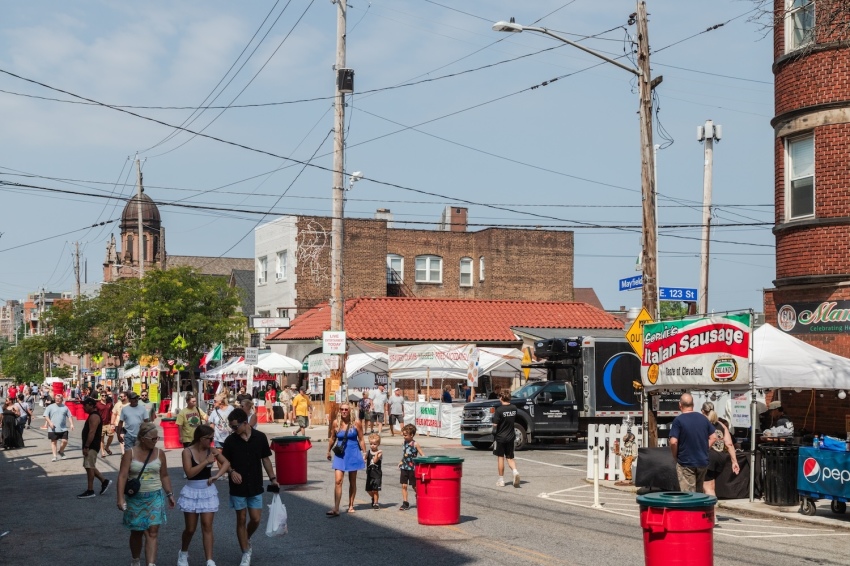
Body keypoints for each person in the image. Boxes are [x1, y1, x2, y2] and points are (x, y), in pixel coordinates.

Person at [222, 408, 279, 566]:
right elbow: (223, 462)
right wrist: (231, 471)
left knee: (256, 519)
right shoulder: (230, 441)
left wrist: (273, 479)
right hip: (237, 486)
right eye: (231, 427)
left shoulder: (260, 437)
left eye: (235, 426)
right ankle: (245, 552)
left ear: (245, 423)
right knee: (241, 518)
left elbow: (265, 459)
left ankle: (245, 537)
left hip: (255, 483)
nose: (233, 429)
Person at [117, 421, 175, 566]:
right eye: (153, 439)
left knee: (153, 531)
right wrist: (120, 498)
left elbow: (164, 475)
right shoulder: (130, 453)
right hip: (135, 498)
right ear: (142, 438)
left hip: (155, 496)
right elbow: (122, 476)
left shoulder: (160, 453)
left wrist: (169, 494)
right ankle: (136, 560)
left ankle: (151, 564)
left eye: (157, 438)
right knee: (136, 532)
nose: (156, 441)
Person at [177, 425, 230, 566]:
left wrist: (217, 475)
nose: (212, 441)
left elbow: (226, 463)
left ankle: (209, 560)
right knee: (190, 529)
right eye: (209, 439)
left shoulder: (211, 450)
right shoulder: (187, 452)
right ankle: (183, 553)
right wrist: (206, 462)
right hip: (191, 490)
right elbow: (189, 473)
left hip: (207, 490)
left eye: (212, 438)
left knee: (207, 526)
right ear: (201, 438)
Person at [669, 393, 718, 493]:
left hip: (686, 462)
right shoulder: (703, 418)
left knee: (688, 495)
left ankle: (691, 504)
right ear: (693, 404)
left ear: (680, 405)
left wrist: (675, 456)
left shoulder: (678, 420)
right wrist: (704, 448)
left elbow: (673, 442)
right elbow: (714, 437)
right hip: (702, 461)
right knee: (699, 493)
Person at [325, 403, 366, 517]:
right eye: (342, 409)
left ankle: (351, 505)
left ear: (350, 411)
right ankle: (336, 508)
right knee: (338, 481)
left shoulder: (356, 423)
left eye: (346, 409)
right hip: (340, 454)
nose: (343, 411)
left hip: (353, 453)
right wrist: (328, 451)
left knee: (352, 481)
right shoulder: (336, 423)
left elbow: (361, 439)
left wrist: (364, 452)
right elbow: (332, 438)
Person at [701, 403, 740, 501]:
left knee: (708, 488)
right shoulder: (721, 425)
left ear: (702, 411)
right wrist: (734, 461)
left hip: (708, 456)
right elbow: (729, 444)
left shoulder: (702, 423)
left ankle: (711, 509)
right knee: (710, 486)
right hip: (721, 458)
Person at [78, 397, 111, 498]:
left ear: (91, 405)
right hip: (91, 445)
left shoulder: (94, 416)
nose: (83, 407)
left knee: (89, 467)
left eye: (85, 405)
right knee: (89, 466)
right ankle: (104, 481)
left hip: (92, 446)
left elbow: (92, 432)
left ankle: (90, 490)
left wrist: (87, 446)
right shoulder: (92, 415)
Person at [491, 391, 520, 487]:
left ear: (501, 398)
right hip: (511, 436)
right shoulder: (514, 408)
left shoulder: (499, 410)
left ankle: (501, 480)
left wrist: (493, 433)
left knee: (500, 457)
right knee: (510, 457)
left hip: (500, 437)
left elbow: (495, 426)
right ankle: (515, 472)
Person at [398, 423, 425, 510]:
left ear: (412, 435)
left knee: (414, 486)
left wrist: (425, 461)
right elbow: (404, 454)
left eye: (406, 435)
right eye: (403, 435)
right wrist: (401, 461)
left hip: (412, 468)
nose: (404, 436)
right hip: (404, 467)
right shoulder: (404, 443)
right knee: (404, 485)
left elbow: (422, 454)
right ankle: (405, 503)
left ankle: (419, 496)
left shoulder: (415, 444)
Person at [44, 393, 74, 461]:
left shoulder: (65, 407)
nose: (57, 400)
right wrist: (50, 422)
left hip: (63, 428)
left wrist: (71, 424)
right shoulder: (50, 407)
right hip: (53, 428)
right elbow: (46, 416)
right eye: (56, 399)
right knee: (53, 442)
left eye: (59, 399)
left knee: (65, 441)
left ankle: (61, 451)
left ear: (62, 399)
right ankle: (54, 456)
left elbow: (69, 416)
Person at [365, 433, 383, 510]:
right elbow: (364, 458)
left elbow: (375, 460)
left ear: (378, 444)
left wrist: (376, 453)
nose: (372, 445)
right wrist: (364, 458)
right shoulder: (368, 452)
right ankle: (374, 498)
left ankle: (376, 503)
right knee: (368, 490)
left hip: (377, 474)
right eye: (371, 444)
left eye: (374, 444)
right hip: (369, 474)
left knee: (375, 490)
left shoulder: (379, 453)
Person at [97, 390, 115, 458]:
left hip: (109, 423)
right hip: (101, 424)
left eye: (105, 395)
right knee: (101, 438)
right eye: (103, 395)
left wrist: (112, 423)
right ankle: (102, 452)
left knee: (111, 436)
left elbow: (112, 413)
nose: (104, 397)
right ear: (100, 396)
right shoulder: (98, 404)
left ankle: (107, 447)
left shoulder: (109, 404)